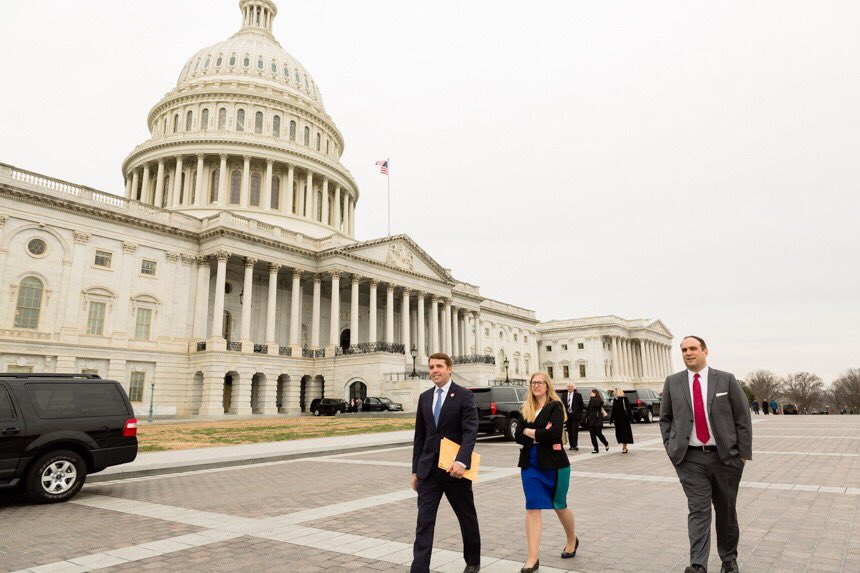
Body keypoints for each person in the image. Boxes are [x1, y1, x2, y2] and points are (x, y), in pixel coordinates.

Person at [660, 336, 752, 573]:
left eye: (692, 348)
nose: (688, 353)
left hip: (725, 458)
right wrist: (671, 448)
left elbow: (742, 417)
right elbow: (665, 419)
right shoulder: (673, 382)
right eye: (683, 350)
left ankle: (728, 561)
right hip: (690, 459)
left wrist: (742, 456)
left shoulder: (726, 379)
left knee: (726, 511)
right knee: (698, 510)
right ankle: (698, 565)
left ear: (705, 351)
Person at [411, 353, 481, 573]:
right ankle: (419, 568)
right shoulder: (424, 397)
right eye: (432, 367)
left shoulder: (464, 395)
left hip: (454, 470)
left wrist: (462, 460)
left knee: (466, 516)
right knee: (424, 522)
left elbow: (470, 431)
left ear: (449, 369)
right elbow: (420, 437)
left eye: (439, 366)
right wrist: (415, 470)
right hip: (428, 471)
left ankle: (473, 560)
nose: (435, 370)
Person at [515, 372, 578, 572]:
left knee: (560, 505)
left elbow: (554, 434)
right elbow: (518, 436)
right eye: (533, 383)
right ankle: (532, 558)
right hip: (530, 464)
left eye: (540, 382)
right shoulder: (526, 408)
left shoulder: (555, 406)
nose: (536, 386)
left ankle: (572, 539)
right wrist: (538, 433)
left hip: (554, 464)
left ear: (547, 385)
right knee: (532, 507)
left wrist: (530, 431)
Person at [609, 388, 634, 454]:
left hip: (624, 420)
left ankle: (624, 447)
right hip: (617, 420)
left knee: (624, 434)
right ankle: (624, 446)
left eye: (614, 392)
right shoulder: (615, 400)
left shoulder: (624, 399)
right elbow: (613, 410)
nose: (613, 393)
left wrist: (630, 418)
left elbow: (628, 409)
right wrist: (611, 419)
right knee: (619, 434)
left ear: (617, 392)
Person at [585, 389, 609, 453]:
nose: (590, 394)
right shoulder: (591, 399)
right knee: (592, 435)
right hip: (591, 420)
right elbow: (589, 410)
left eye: (591, 392)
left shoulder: (598, 400)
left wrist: (593, 398)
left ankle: (606, 443)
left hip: (598, 419)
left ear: (595, 393)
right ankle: (596, 448)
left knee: (598, 433)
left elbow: (597, 405)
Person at [565, 383, 584, 451]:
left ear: (573, 388)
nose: (570, 388)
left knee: (574, 431)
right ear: (567, 388)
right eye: (569, 386)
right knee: (569, 431)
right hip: (567, 416)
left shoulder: (578, 395)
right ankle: (571, 445)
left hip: (575, 416)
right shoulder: (564, 395)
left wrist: (579, 415)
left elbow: (581, 406)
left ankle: (575, 445)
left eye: (571, 386)